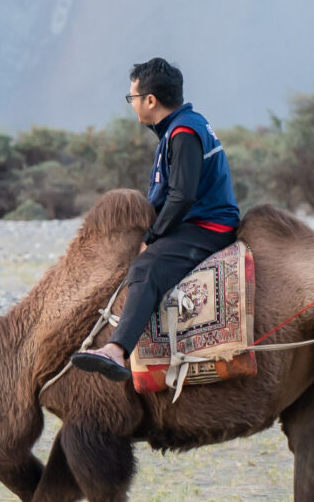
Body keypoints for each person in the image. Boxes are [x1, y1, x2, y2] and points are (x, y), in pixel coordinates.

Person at [70, 57, 241, 383]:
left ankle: (116, 350)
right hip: (199, 222)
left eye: (132, 98)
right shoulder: (181, 126)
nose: (132, 104)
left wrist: (154, 236)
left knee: (146, 267)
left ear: (150, 100)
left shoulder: (184, 133)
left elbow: (183, 195)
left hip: (208, 228)